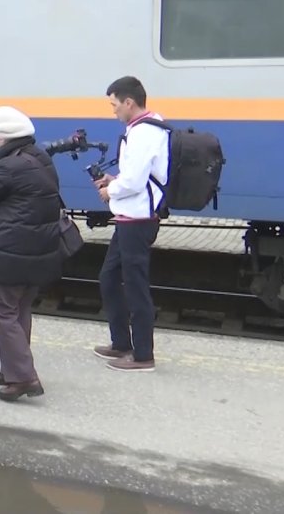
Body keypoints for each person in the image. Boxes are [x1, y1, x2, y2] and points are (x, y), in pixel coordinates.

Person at [0, 106, 62, 401]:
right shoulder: (37, 157)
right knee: (19, 310)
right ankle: (13, 369)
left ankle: (24, 378)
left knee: (2, 310)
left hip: (12, 250)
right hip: (37, 248)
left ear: (1, 138)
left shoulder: (10, 166)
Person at [93, 76, 169, 372]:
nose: (113, 111)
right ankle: (121, 343)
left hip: (137, 220)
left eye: (114, 105)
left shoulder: (144, 132)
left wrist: (109, 190)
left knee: (135, 285)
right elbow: (137, 175)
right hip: (129, 216)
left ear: (129, 102)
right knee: (109, 278)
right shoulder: (143, 128)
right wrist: (116, 181)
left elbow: (136, 180)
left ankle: (143, 356)